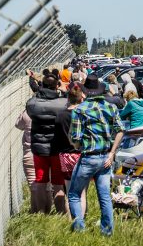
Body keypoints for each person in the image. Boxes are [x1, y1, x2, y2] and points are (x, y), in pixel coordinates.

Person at [68, 73, 125, 235]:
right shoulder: (111, 107)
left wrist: (78, 145)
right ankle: (107, 231)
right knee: (105, 196)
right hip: (105, 157)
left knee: (74, 194)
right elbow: (121, 130)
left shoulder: (80, 110)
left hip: (88, 157)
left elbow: (75, 138)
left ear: (85, 92)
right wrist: (112, 152)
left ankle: (79, 228)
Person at [26, 75, 67, 214]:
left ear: (42, 85)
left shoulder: (33, 104)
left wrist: (39, 90)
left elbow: (31, 104)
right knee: (58, 184)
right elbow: (71, 103)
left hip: (39, 148)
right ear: (57, 86)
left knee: (40, 181)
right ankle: (61, 213)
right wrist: (64, 91)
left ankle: (42, 213)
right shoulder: (62, 104)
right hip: (56, 148)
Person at [56, 82, 87, 217]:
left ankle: (71, 219)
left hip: (65, 155)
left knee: (70, 191)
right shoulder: (83, 114)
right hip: (81, 154)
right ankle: (80, 219)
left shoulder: (60, 115)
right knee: (82, 192)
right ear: (81, 98)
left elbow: (57, 135)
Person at [14, 109, 35, 186]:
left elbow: (18, 124)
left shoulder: (28, 112)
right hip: (49, 153)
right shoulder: (54, 110)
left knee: (34, 187)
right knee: (49, 187)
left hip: (30, 153)